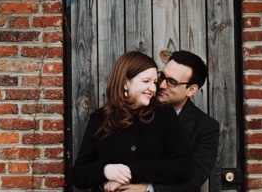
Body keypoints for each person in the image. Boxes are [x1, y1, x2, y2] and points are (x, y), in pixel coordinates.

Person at [72, 51, 191, 192]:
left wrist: (131, 171)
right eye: (146, 81)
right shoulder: (99, 119)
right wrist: (105, 170)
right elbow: (79, 175)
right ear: (125, 83)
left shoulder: (164, 116)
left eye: (154, 82)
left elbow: (183, 167)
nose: (153, 89)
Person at [118, 50, 221, 192]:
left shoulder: (206, 127)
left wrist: (147, 188)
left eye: (172, 82)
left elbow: (194, 179)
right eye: (162, 76)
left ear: (191, 90)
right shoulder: (139, 106)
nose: (161, 85)